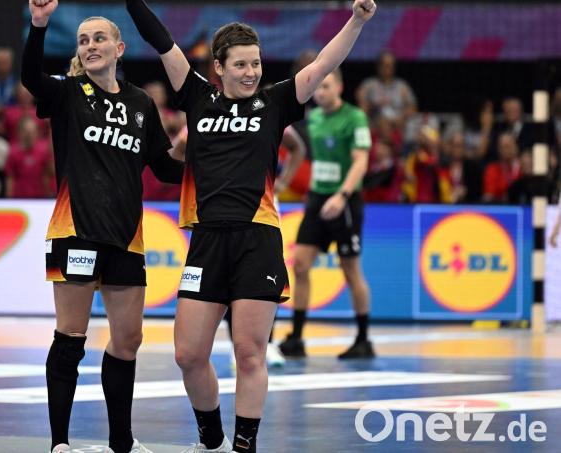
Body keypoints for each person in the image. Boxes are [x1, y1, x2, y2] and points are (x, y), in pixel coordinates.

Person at [125, 1, 376, 451]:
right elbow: (161, 41)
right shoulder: (197, 96)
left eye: (255, 63)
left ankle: (245, 446)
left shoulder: (275, 101)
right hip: (207, 240)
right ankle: (212, 440)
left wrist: (356, 20)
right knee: (188, 354)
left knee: (249, 352)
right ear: (218, 67)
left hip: (257, 239)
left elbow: (324, 63)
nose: (250, 73)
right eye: (240, 64)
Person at [21, 1, 184, 452]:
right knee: (70, 337)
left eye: (98, 38)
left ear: (119, 48)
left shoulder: (141, 103)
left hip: (127, 237)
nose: (90, 45)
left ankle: (121, 442)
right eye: (83, 41)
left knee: (128, 339)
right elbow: (31, 78)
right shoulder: (68, 93)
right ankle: (60, 443)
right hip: (74, 231)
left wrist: (209, 163)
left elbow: (163, 167)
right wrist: (39, 25)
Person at [277, 67, 375, 361]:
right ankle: (296, 338)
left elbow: (361, 162)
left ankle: (363, 340)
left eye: (327, 86)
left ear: (340, 87)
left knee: (350, 269)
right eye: (318, 87)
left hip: (345, 201)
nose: (320, 92)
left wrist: (342, 195)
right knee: (300, 265)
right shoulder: (315, 117)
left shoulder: (355, 118)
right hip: (317, 199)